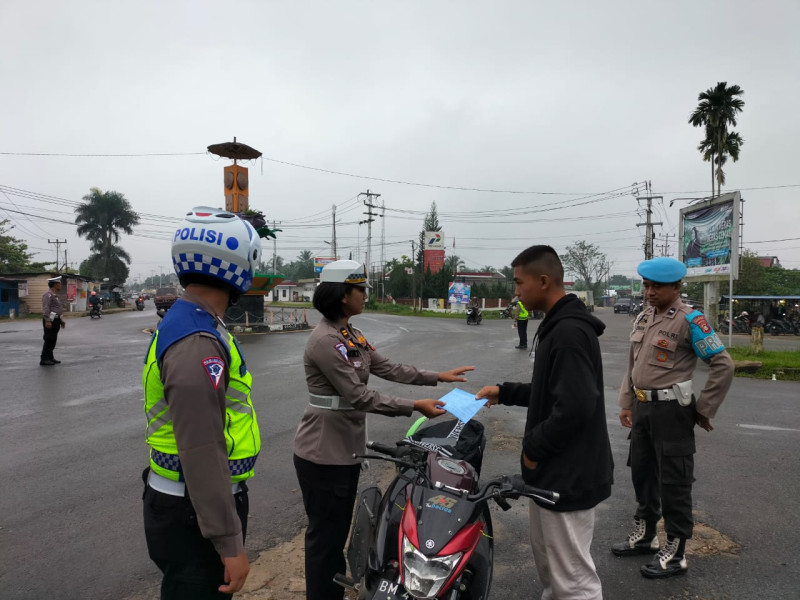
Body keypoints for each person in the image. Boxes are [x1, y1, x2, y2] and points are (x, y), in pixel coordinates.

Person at [293, 259, 475, 600]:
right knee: (325, 538)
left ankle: (329, 590)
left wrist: (438, 376)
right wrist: (414, 405)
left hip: (343, 448)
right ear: (341, 294)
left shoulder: (351, 335)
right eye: (360, 289)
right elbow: (359, 396)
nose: (365, 295)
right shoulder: (325, 341)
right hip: (322, 452)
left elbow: (389, 367)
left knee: (335, 533)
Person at [476, 245, 612, 600]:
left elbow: (577, 405)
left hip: (568, 474)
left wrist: (534, 449)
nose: (516, 291)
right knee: (555, 574)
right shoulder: (558, 326)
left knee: (574, 583)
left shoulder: (568, 333)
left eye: (520, 283)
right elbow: (553, 390)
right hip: (556, 473)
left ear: (543, 280)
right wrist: (506, 392)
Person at [141, 206, 263, 599]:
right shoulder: (197, 340)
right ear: (237, 266)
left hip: (188, 506)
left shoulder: (192, 322)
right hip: (193, 513)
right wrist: (230, 541)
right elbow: (201, 448)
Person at [612, 257, 734, 579]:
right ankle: (647, 536)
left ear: (677, 287)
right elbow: (632, 364)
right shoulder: (642, 318)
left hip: (672, 412)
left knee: (674, 482)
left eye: (657, 286)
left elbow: (724, 365)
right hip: (642, 409)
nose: (650, 292)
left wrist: (704, 409)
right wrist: (627, 402)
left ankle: (676, 552)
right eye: (647, 285)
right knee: (642, 473)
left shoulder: (691, 321)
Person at [41, 275, 65, 366]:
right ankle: (44, 359)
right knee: (49, 339)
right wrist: (47, 320)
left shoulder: (56, 295)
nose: (60, 285)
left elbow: (57, 309)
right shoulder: (48, 295)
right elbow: (46, 307)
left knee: (53, 340)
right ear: (55, 285)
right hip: (50, 320)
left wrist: (61, 320)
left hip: (56, 319)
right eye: (59, 283)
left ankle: (50, 358)